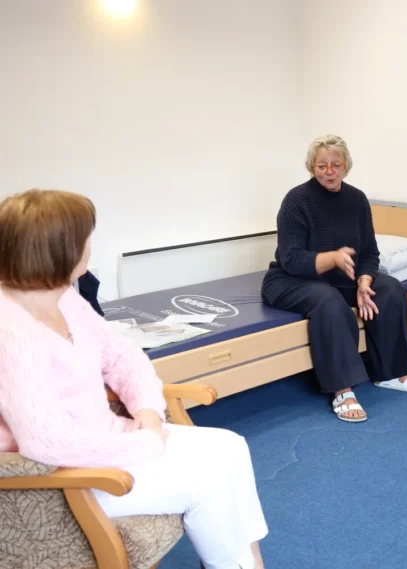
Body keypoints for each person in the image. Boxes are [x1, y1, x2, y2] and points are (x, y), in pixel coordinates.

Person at [0, 190, 269, 569]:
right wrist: (143, 443)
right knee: (210, 480)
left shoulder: (62, 298)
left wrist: (146, 407)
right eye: (86, 237)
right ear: (57, 249)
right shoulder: (10, 330)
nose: (90, 245)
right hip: (65, 478)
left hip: (112, 441)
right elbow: (46, 441)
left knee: (231, 446)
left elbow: (122, 353)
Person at [261, 135, 407, 422]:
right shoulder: (297, 200)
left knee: (390, 289)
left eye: (336, 165)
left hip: (343, 277)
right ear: (311, 167)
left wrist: (364, 281)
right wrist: (332, 258)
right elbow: (291, 258)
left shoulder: (357, 200)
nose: (329, 171)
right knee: (329, 300)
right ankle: (342, 389)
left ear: (346, 166)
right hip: (289, 279)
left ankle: (389, 372)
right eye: (321, 165)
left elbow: (370, 252)